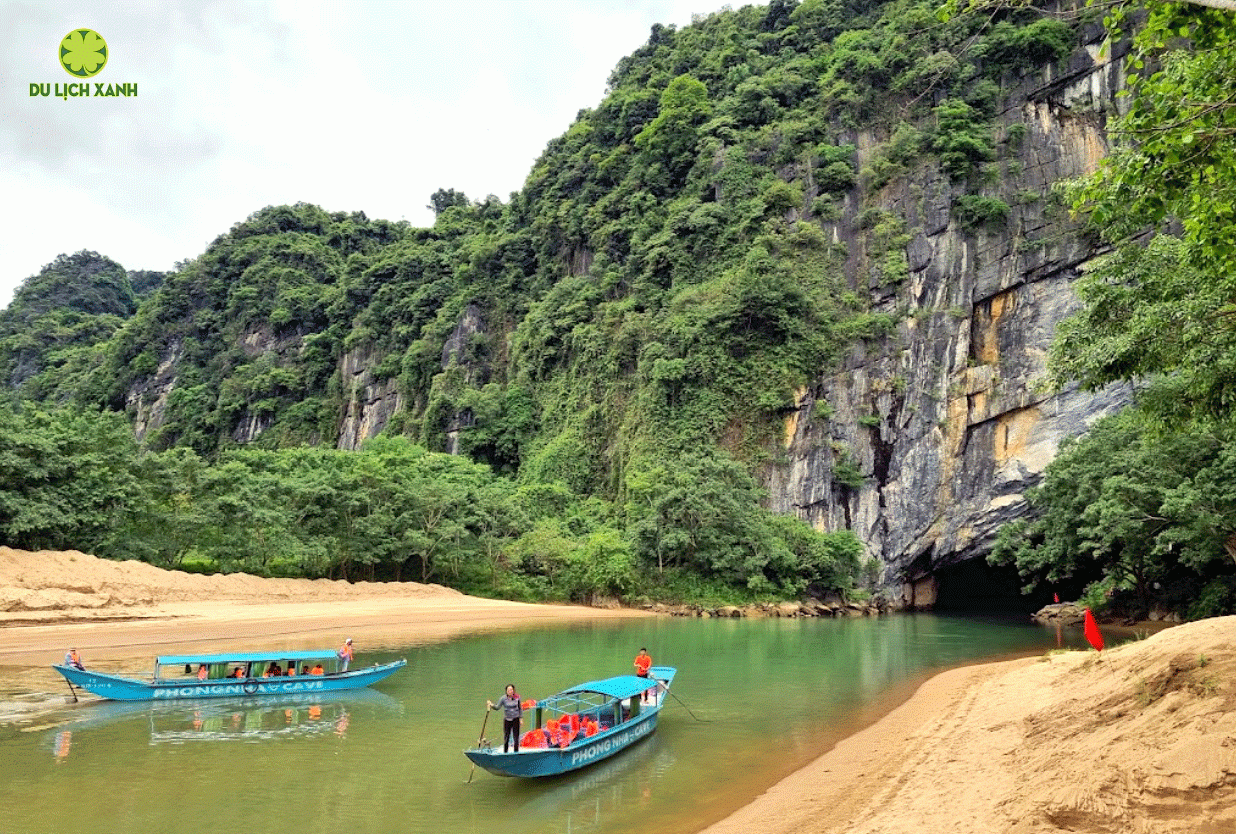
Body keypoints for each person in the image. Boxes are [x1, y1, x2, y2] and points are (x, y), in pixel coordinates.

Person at [487, 684, 523, 753]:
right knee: (506, 737)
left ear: (513, 690)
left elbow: (520, 708)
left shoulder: (517, 697)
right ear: (506, 691)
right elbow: (497, 707)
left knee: (516, 738)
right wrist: (491, 705)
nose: (510, 691)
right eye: (508, 690)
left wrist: (521, 718)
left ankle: (516, 753)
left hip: (516, 719)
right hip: (507, 720)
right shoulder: (503, 698)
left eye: (511, 690)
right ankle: (505, 752)